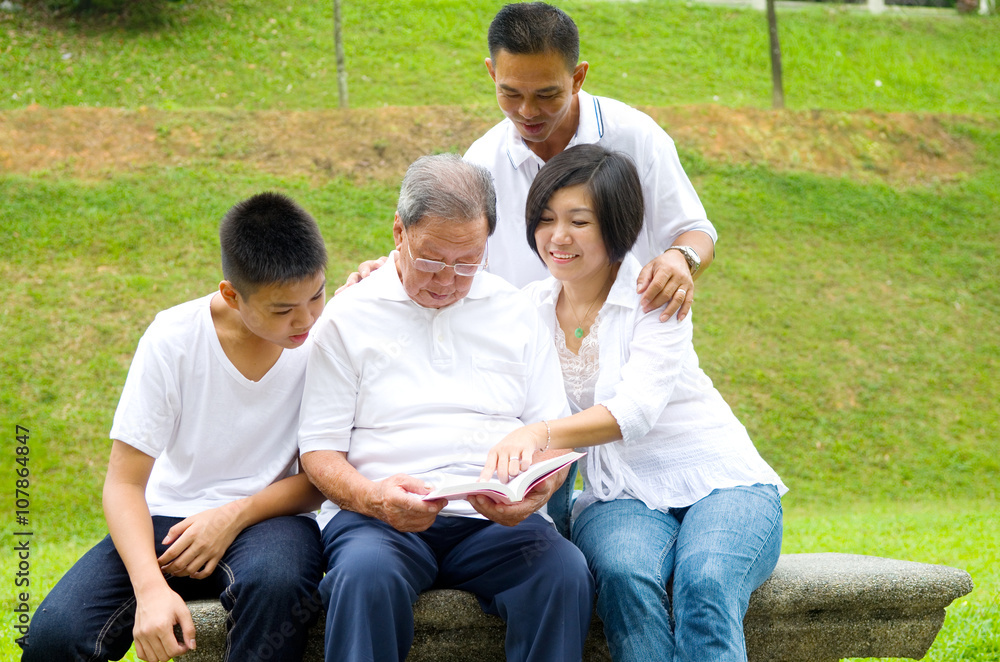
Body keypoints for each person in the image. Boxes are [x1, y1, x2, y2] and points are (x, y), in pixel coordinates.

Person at [479, 144, 787, 662]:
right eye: (546, 219)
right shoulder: (524, 309)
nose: (558, 236)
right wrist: (386, 269)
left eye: (579, 221)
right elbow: (458, 295)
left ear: (617, 227)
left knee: (706, 581)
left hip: (722, 480)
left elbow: (636, 412)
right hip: (617, 493)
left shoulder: (655, 295)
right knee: (624, 578)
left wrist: (541, 434)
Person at [298, 153, 594, 662]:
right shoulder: (348, 316)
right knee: (365, 576)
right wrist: (373, 498)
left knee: (563, 573)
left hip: (495, 522)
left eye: (467, 264)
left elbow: (554, 432)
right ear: (399, 232)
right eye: (432, 261)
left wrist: (539, 488)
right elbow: (319, 451)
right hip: (380, 521)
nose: (447, 281)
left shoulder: (514, 312)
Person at [20, 192, 328, 662]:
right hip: (168, 519)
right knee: (55, 637)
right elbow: (123, 483)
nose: (306, 319)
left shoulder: (329, 338)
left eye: (317, 295)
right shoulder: (174, 338)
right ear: (231, 294)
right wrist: (149, 589)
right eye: (283, 310)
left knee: (277, 582)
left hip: (273, 518)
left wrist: (233, 516)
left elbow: (321, 478)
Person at [341, 2, 714, 323]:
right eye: (510, 93)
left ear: (578, 77)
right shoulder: (481, 162)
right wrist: (387, 273)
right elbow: (452, 254)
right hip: (524, 356)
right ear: (492, 73)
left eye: (547, 94)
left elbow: (695, 230)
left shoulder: (636, 137)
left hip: (628, 340)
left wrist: (681, 259)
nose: (527, 111)